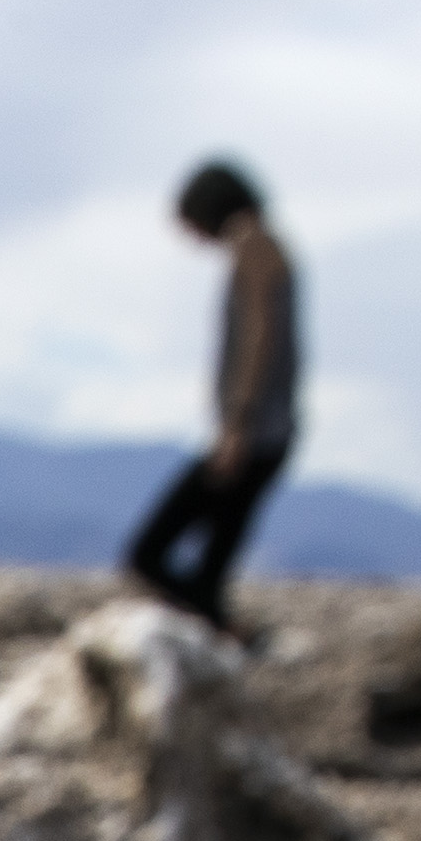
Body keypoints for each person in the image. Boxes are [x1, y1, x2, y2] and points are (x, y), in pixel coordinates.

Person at [122, 159, 297, 631]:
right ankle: (229, 643)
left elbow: (259, 338)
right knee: (207, 579)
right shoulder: (266, 246)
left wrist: (237, 424)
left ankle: (232, 641)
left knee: (149, 553)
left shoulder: (253, 243)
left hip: (255, 433)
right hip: (268, 433)